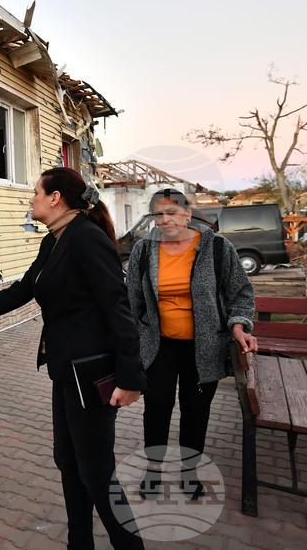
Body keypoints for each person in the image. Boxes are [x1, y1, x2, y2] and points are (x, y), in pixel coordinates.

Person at [0, 167, 146, 550]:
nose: (31, 199)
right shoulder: (54, 241)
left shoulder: (86, 239)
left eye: (36, 192)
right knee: (69, 463)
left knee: (97, 472)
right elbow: (23, 290)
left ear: (56, 198)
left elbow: (117, 307)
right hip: (65, 371)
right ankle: (79, 543)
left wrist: (131, 377)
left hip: (91, 373)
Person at [125, 188, 257, 501]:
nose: (165, 219)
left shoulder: (216, 248)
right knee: (156, 408)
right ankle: (153, 471)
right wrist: (130, 340)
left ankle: (189, 472)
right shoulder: (144, 250)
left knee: (195, 411)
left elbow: (242, 292)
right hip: (159, 346)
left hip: (204, 348)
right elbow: (132, 301)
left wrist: (239, 325)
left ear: (188, 213)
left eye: (171, 212)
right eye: (158, 214)